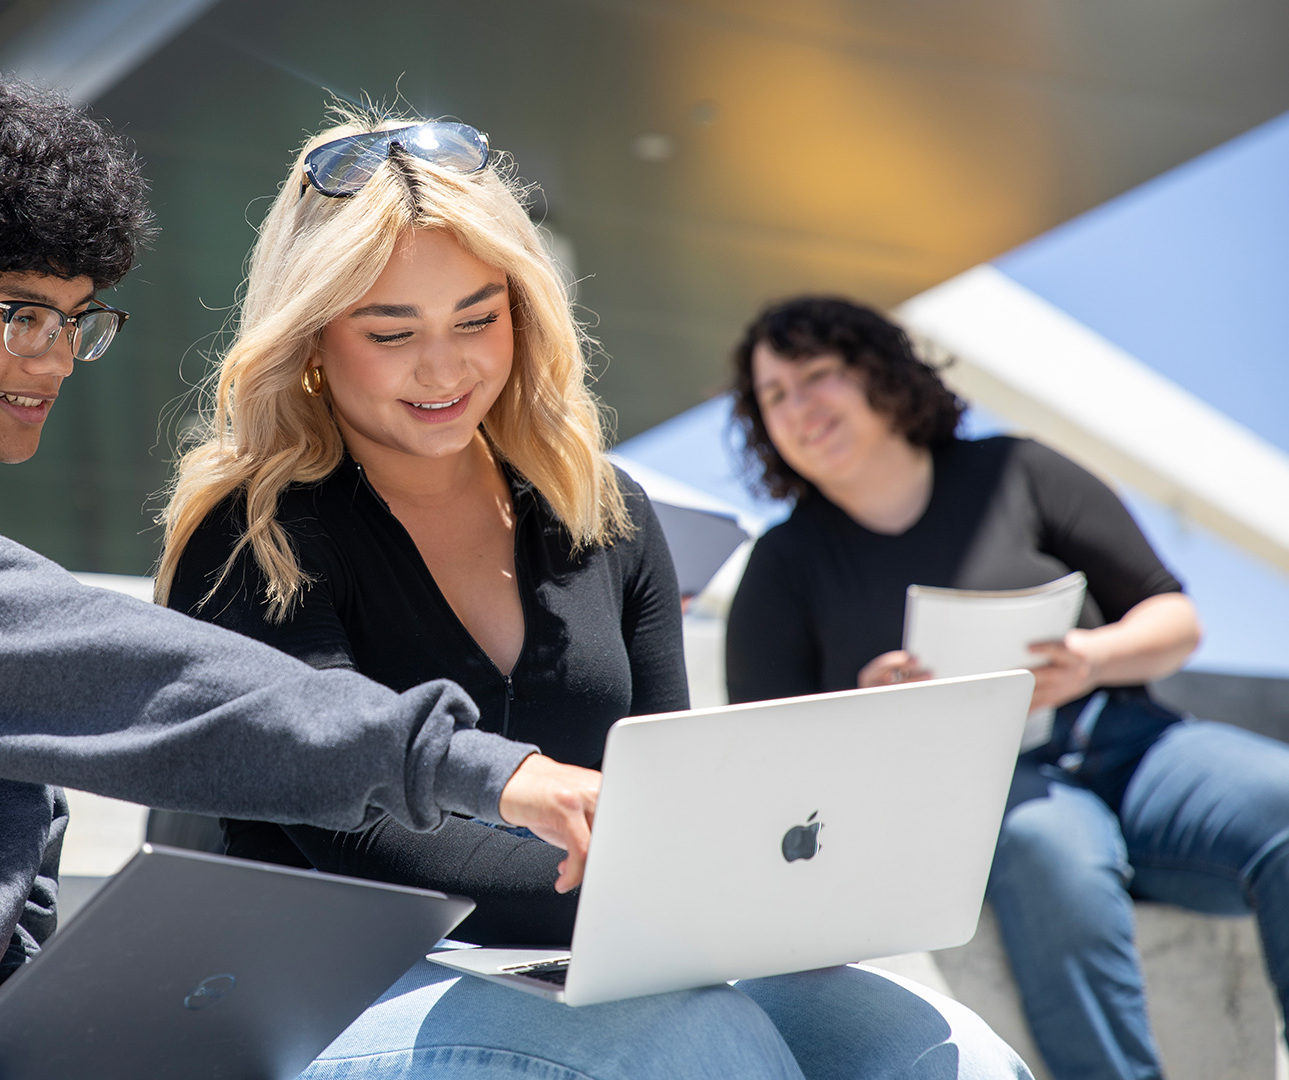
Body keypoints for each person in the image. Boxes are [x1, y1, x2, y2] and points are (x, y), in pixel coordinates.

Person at [0, 66, 768, 1080]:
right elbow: (151, 682)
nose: (51, 356)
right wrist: (485, 769)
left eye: (73, 317)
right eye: (14, 311)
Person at [158, 113, 1031, 1079]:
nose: (444, 369)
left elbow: (668, 783)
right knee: (701, 1045)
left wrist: (763, 890)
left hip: (588, 963)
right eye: (391, 331)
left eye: (477, 319)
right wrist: (657, 885)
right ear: (313, 339)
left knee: (947, 1054)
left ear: (525, 313)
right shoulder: (254, 534)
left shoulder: (604, 511)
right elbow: (355, 829)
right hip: (328, 995)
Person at [721, 295, 1289, 1080]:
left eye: (816, 375)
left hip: (1128, 744)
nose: (796, 407)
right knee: (1049, 853)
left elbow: (1174, 617)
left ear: (881, 374)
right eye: (773, 395)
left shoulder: (1018, 470)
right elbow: (768, 755)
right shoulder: (784, 565)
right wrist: (872, 714)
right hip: (976, 794)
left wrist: (1089, 656)